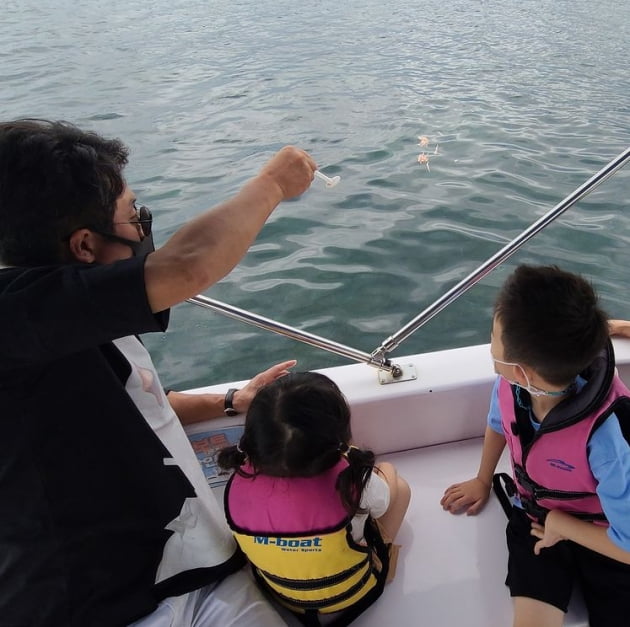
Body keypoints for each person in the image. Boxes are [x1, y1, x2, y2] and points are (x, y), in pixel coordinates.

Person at [0, 119, 318, 627]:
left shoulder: (66, 320)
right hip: (99, 606)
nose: (144, 228)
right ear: (84, 246)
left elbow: (130, 402)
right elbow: (187, 266)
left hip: (196, 570)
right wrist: (275, 184)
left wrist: (232, 400)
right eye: (134, 215)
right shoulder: (15, 318)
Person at [440, 264, 630, 627]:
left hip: (605, 536)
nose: (490, 344)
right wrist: (482, 478)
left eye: (493, 337)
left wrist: (563, 523)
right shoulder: (512, 385)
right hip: (535, 521)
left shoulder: (609, 437)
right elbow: (499, 424)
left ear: (523, 369)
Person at [218, 371, 411, 627]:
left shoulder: (237, 483)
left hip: (282, 597)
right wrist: (385, 470)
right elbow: (384, 501)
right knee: (400, 486)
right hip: (352, 592)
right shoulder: (353, 482)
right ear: (339, 437)